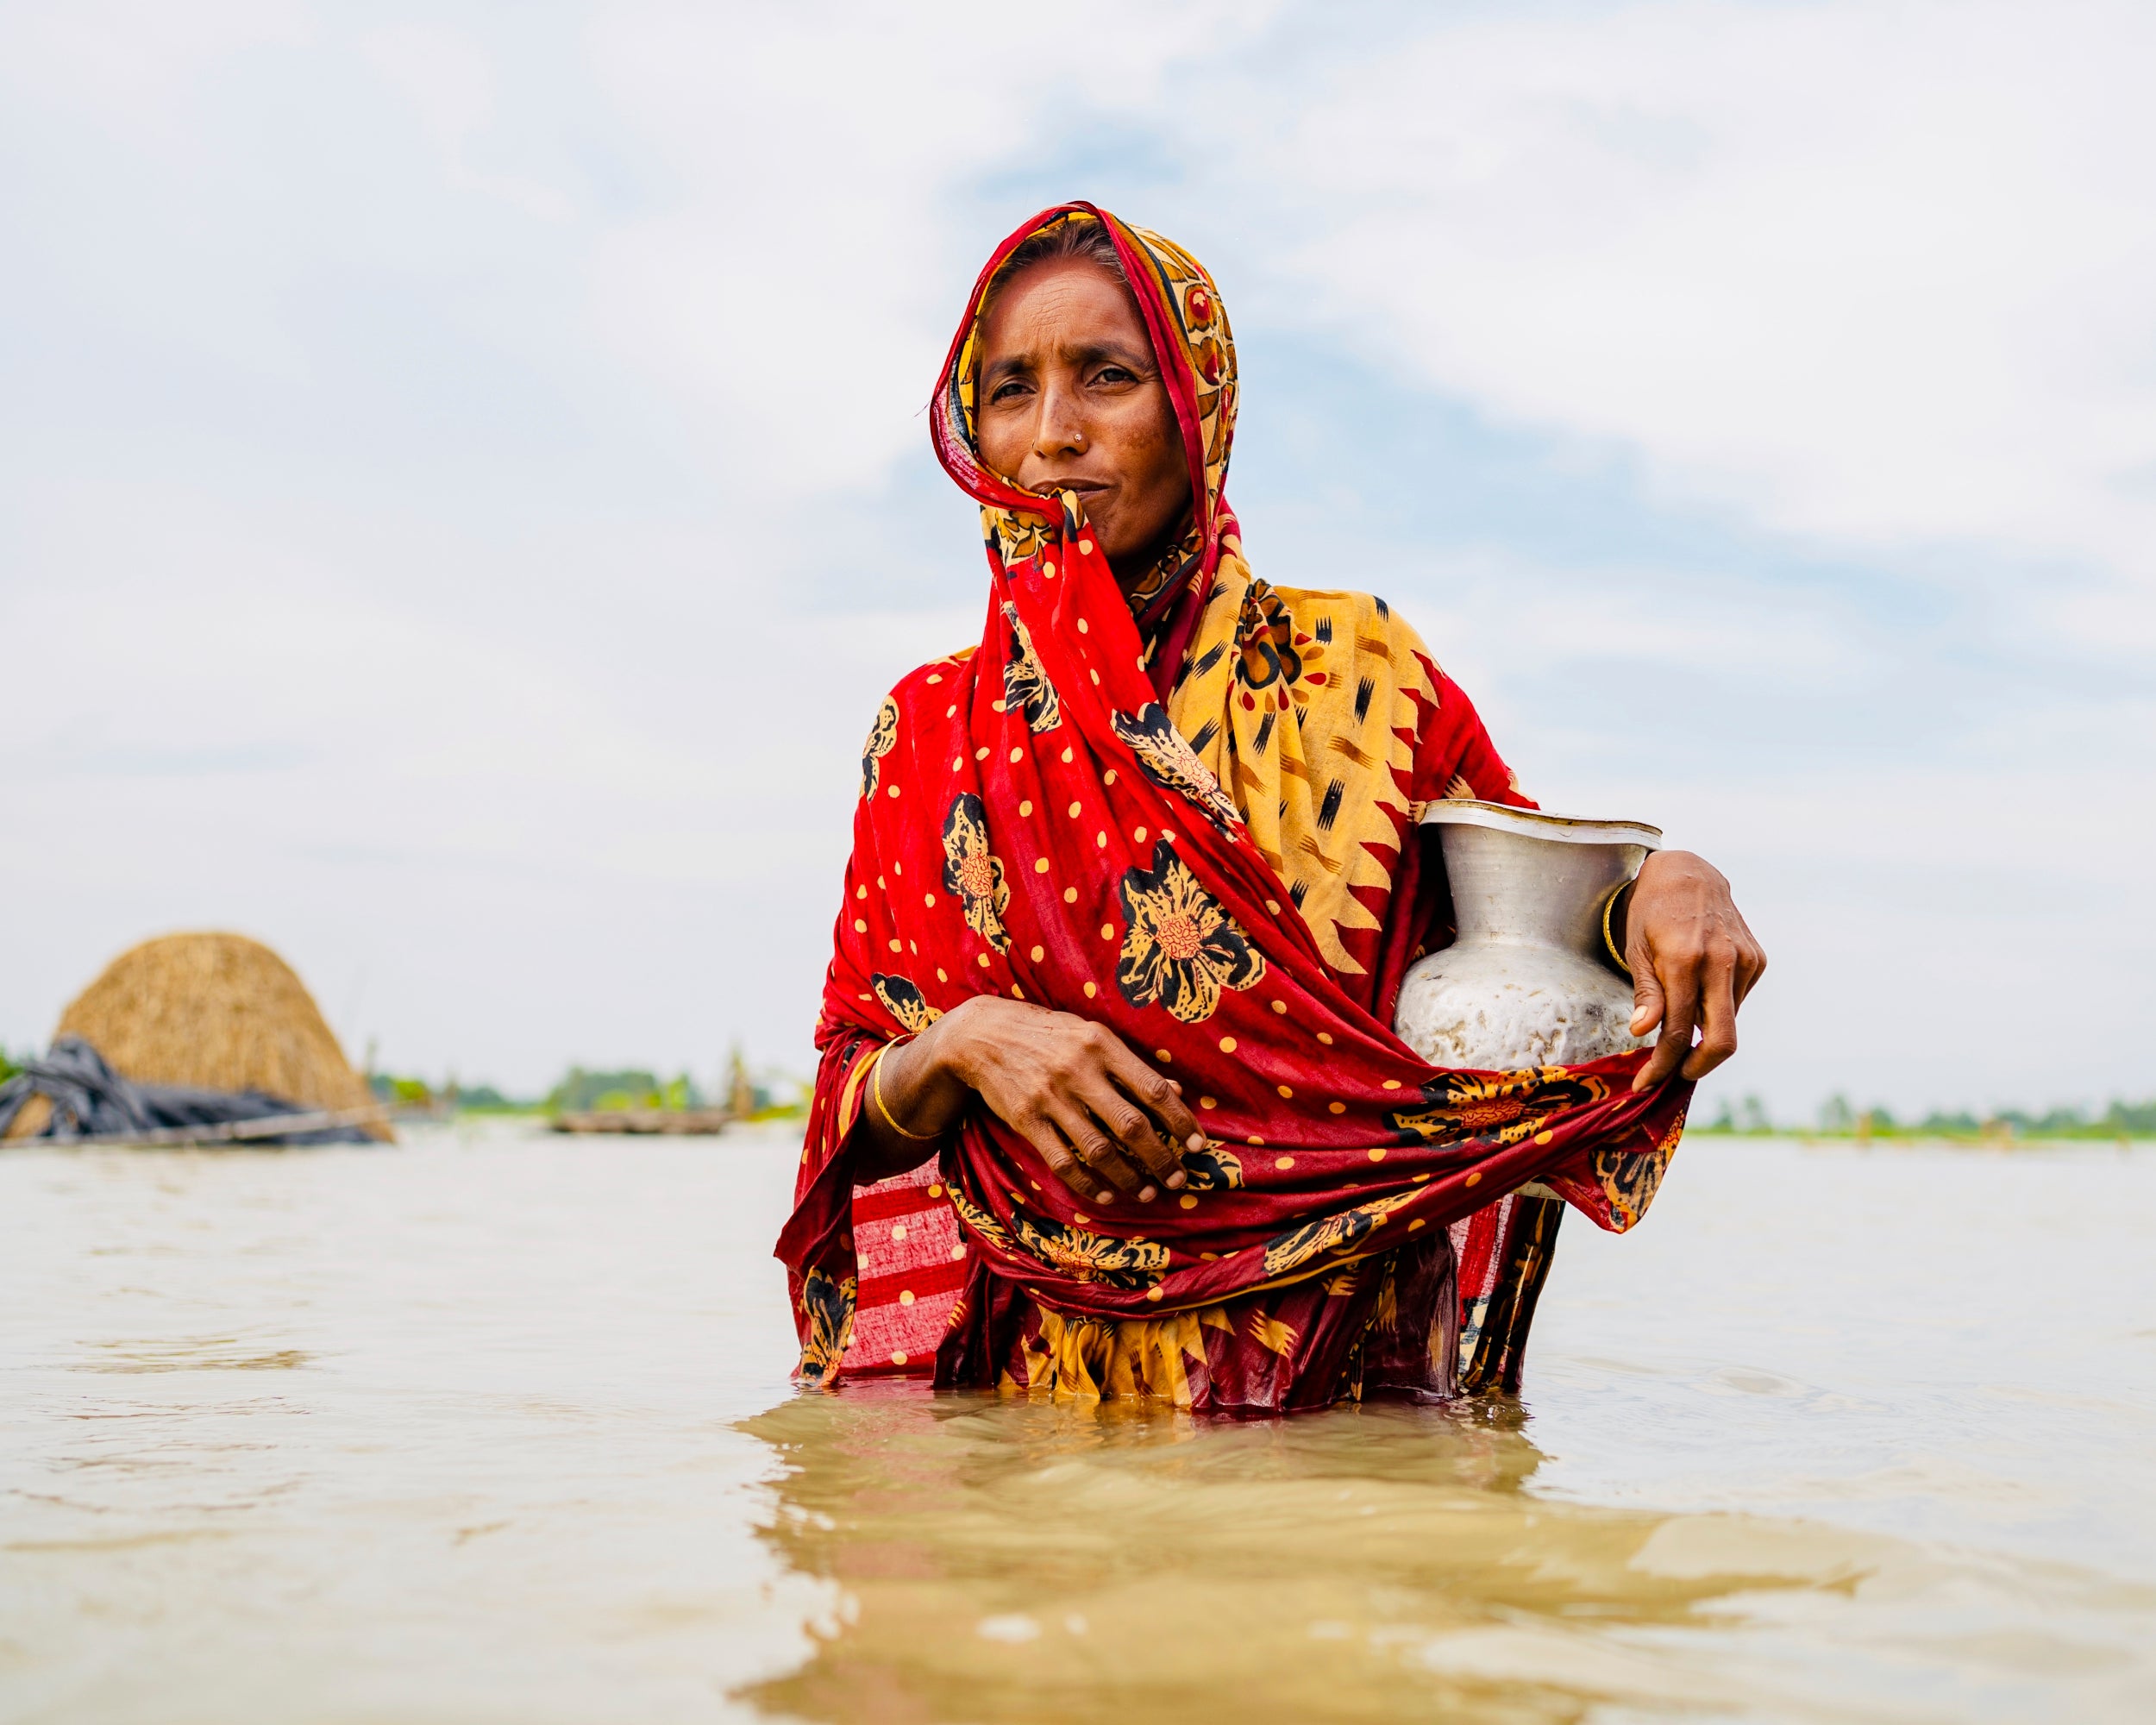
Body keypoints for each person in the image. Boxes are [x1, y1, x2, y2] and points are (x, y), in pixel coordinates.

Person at [775, 204, 1765, 1414]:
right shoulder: (930, 731)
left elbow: (1536, 926)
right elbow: (847, 1113)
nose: (1054, 436)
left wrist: (1673, 883)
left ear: (1197, 413)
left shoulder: (1365, 679)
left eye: (1108, 379)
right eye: (1009, 392)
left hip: (1350, 1399)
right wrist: (967, 1041)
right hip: (1035, 1440)